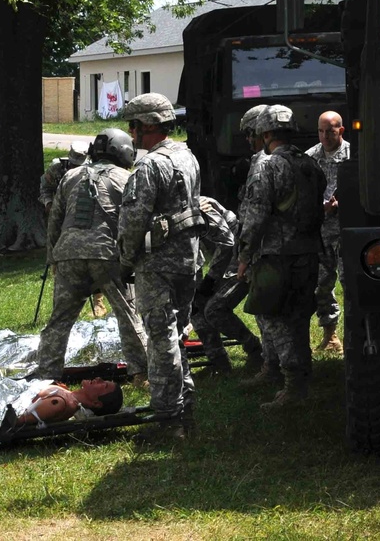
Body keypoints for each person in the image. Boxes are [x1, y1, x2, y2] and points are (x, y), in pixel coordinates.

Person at [117, 92, 204, 440]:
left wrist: (125, 260)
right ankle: (185, 406)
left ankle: (169, 419)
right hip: (188, 260)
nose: (131, 132)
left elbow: (133, 220)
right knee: (177, 335)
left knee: (160, 340)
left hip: (157, 264)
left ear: (149, 125)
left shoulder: (149, 166)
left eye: (134, 125)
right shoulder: (187, 156)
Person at [36, 128, 149, 386]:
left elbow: (55, 220)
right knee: (128, 315)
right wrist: (132, 257)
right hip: (107, 254)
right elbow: (134, 220)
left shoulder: (71, 176)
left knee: (59, 319)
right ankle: (141, 373)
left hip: (68, 254)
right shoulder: (126, 178)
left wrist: (53, 258)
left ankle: (46, 375)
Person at [236, 105, 328, 410]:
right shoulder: (310, 164)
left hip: (277, 257)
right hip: (308, 253)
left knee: (277, 320)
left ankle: (292, 388)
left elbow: (256, 216)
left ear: (265, 133)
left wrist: (244, 255)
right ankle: (301, 381)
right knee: (299, 319)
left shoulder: (269, 166)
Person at [191, 196, 262, 375]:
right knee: (197, 308)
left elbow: (227, 242)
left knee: (214, 310)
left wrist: (210, 279)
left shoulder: (200, 205)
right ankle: (219, 363)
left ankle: (255, 349)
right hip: (223, 263)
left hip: (244, 260)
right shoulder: (167, 207)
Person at [38, 140, 105, 317]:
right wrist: (49, 203)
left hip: (84, 217)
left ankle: (98, 301)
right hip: (60, 217)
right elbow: (44, 187)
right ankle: (65, 301)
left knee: (90, 257)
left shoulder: (92, 170)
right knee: (62, 258)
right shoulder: (57, 168)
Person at [305, 111, 349, 354]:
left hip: (346, 230)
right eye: (321, 131)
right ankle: (330, 336)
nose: (324, 137)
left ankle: (356, 335)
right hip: (322, 231)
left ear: (340, 131)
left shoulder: (353, 155)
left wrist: (343, 204)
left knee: (350, 283)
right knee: (322, 284)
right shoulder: (311, 157)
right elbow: (302, 192)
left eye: (330, 132)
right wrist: (319, 207)